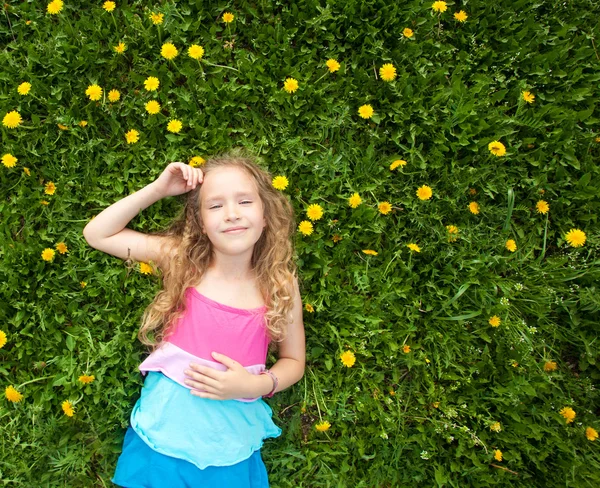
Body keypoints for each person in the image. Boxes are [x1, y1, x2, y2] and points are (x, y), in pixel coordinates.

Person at [82, 148, 306, 487]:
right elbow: (98, 234)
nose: (231, 214)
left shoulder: (279, 284)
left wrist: (255, 385)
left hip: (229, 449)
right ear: (201, 223)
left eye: (245, 202)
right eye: (215, 205)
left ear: (265, 215)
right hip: (161, 444)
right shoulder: (184, 261)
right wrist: (157, 189)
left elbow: (293, 360)